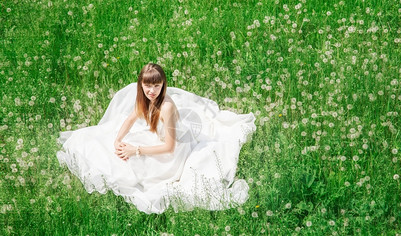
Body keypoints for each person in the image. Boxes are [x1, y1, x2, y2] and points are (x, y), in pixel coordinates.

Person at [56, 63, 256, 214]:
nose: (152, 91)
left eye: (157, 86)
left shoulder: (166, 107)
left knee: (128, 164)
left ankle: (132, 158)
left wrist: (135, 150)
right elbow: (130, 119)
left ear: (163, 85)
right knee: (99, 142)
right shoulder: (144, 98)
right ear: (141, 85)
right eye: (147, 86)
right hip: (156, 140)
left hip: (171, 155)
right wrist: (118, 140)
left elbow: (169, 147)